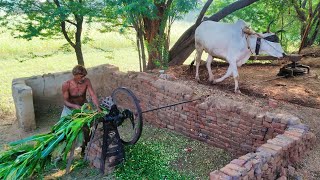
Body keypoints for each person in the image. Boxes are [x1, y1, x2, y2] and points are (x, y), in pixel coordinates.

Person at [61, 65, 101, 155]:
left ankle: (85, 149)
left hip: (83, 109)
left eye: (84, 76)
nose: (83, 78)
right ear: (75, 75)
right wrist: (74, 106)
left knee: (86, 129)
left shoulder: (87, 81)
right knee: (65, 131)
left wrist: (97, 106)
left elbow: (92, 94)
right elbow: (65, 101)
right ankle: (62, 152)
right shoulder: (66, 85)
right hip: (69, 109)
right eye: (81, 76)